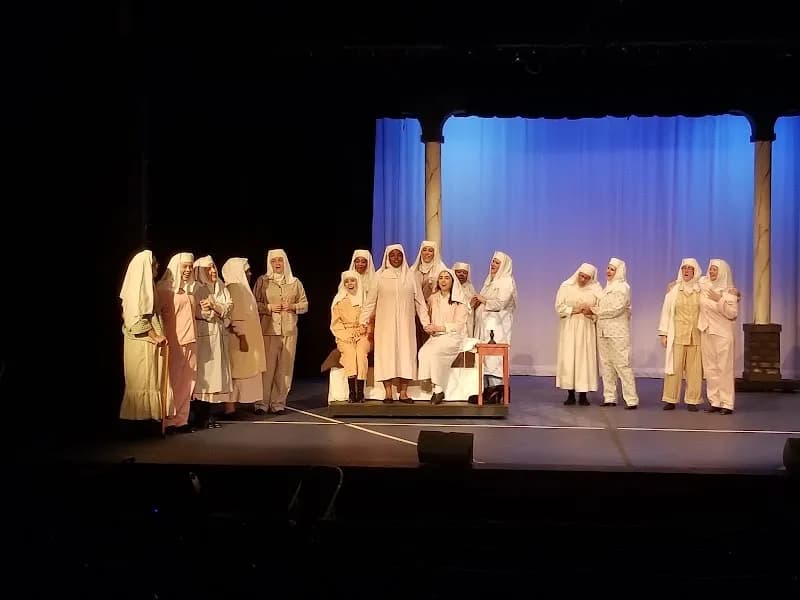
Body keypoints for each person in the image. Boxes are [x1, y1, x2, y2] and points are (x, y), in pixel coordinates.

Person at [359, 243, 430, 403]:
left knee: (406, 355)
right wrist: (363, 320)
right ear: (387, 257)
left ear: (403, 257)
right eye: (393, 255)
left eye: (399, 255)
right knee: (386, 356)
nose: (396, 258)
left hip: (406, 324)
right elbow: (370, 302)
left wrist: (425, 323)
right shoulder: (379, 276)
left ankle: (404, 393)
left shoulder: (410, 276)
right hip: (385, 325)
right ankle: (388, 393)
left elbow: (419, 302)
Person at [253, 248, 308, 415]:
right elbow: (253, 303)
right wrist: (268, 307)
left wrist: (292, 306)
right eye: (273, 261)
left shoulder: (295, 282)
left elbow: (304, 304)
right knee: (267, 369)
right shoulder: (263, 281)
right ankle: (261, 403)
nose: (277, 263)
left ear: (285, 262)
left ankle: (278, 402)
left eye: (280, 260)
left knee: (284, 369)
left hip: (288, 330)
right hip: (269, 330)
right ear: (269, 263)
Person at [119, 250, 171, 422]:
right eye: (153, 264)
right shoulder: (136, 290)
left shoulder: (150, 288)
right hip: (141, 341)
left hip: (151, 341)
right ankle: (136, 422)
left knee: (151, 380)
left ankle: (149, 419)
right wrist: (154, 335)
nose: (157, 266)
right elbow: (135, 319)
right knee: (141, 380)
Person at [156, 252, 198, 432]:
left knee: (188, 382)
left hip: (191, 341)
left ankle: (181, 420)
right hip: (175, 343)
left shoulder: (188, 291)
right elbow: (156, 316)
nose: (188, 270)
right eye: (185, 266)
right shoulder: (164, 290)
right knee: (173, 382)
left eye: (190, 266)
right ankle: (168, 420)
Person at [222, 257, 267, 416]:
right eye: (247, 271)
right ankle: (229, 408)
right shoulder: (235, 289)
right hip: (239, 340)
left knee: (239, 372)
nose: (250, 273)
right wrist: (242, 338)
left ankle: (231, 407)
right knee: (234, 372)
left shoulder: (242, 289)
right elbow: (234, 317)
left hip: (245, 339)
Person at [591, 258, 639, 409]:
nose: (608, 271)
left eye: (612, 269)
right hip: (604, 331)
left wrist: (596, 312)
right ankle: (609, 397)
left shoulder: (623, 287)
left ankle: (631, 400)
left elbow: (617, 308)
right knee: (606, 366)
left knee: (623, 365)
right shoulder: (606, 289)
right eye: (608, 268)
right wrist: (593, 313)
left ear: (619, 271)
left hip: (618, 333)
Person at [418, 268, 470, 404]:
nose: (443, 280)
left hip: (453, 336)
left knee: (436, 353)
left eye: (447, 278)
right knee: (423, 352)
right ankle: (431, 383)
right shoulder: (433, 298)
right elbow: (425, 314)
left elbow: (458, 325)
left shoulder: (460, 300)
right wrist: (428, 327)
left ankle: (438, 390)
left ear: (453, 281)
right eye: (441, 277)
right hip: (436, 336)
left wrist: (440, 328)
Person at [192, 255, 233, 427]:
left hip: (219, 336)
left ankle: (207, 414)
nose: (213, 271)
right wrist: (213, 311)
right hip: (204, 337)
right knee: (204, 376)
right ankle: (199, 415)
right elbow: (198, 312)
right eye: (208, 269)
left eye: (213, 267)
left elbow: (228, 307)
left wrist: (214, 306)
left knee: (215, 376)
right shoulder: (197, 288)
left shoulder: (221, 286)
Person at [658, 258, 704, 411]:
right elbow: (666, 311)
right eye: (684, 268)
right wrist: (663, 333)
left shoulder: (700, 289)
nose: (686, 271)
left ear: (695, 271)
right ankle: (670, 399)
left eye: (689, 268)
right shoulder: (674, 290)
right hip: (677, 334)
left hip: (696, 335)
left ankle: (693, 400)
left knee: (694, 370)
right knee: (674, 368)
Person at [555, 263, 602, 406]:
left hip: (586, 328)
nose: (582, 280)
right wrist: (574, 309)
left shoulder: (596, 289)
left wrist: (591, 311)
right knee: (569, 358)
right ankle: (570, 394)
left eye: (586, 278)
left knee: (584, 360)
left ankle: (583, 394)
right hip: (570, 327)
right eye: (581, 276)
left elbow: (602, 309)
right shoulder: (566, 286)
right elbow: (559, 307)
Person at [698, 259, 740, 414]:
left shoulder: (730, 292)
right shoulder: (705, 286)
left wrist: (720, 299)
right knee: (710, 369)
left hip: (722, 334)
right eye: (711, 269)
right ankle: (714, 401)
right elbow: (693, 278)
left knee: (724, 369)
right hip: (706, 331)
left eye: (715, 269)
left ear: (723, 272)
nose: (711, 272)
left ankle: (727, 403)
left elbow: (732, 314)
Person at [472, 251, 517, 388]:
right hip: (486, 326)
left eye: (497, 262)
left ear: (504, 266)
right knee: (485, 357)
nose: (493, 264)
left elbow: (500, 303)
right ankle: (486, 390)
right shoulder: (490, 281)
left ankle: (496, 389)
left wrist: (482, 299)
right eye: (493, 261)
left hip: (498, 327)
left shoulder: (506, 281)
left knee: (494, 358)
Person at [330, 270, 370, 402]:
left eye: (352, 280)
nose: (350, 283)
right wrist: (347, 335)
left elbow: (371, 319)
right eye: (347, 281)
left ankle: (360, 392)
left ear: (357, 282)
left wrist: (363, 329)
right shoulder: (339, 301)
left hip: (363, 334)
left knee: (360, 353)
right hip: (345, 335)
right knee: (350, 353)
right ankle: (352, 393)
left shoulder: (366, 299)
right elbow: (336, 324)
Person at [452, 261, 477, 336]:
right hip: (456, 322)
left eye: (464, 273)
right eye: (459, 272)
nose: (461, 274)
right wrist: (469, 305)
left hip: (469, 321)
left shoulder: (470, 287)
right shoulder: (451, 287)